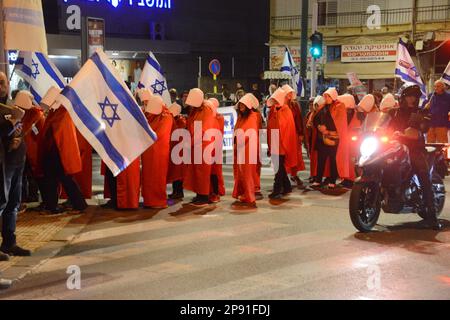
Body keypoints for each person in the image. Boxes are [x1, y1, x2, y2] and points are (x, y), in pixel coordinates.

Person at [37, 87, 87, 215]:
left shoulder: (62, 112)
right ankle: (54, 206)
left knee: (64, 179)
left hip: (58, 152)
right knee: (55, 179)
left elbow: (58, 133)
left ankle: (76, 204)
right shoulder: (58, 111)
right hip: (55, 151)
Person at [393, 113, 443, 230]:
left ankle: (433, 219)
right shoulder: (398, 112)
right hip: (403, 152)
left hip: (418, 154)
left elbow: (416, 134)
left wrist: (401, 135)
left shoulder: (417, 125)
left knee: (425, 180)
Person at [0, 88, 29, 259]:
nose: (1, 86)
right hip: (4, 163)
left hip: (17, 160)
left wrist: (18, 137)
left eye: (3, 82)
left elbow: (17, 129)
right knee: (1, 204)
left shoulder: (12, 106)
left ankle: (9, 242)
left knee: (13, 204)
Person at [311, 88, 350, 189]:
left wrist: (327, 130)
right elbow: (315, 119)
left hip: (334, 139)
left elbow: (340, 123)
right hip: (322, 139)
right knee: (321, 160)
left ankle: (332, 180)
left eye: (328, 96)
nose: (325, 98)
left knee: (334, 160)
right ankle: (318, 179)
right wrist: (319, 127)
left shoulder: (339, 106)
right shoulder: (323, 107)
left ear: (332, 96)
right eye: (325, 96)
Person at [183, 88, 216, 207]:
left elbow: (203, 129)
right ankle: (199, 194)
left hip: (203, 144)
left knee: (202, 171)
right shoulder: (197, 109)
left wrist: (191, 142)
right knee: (197, 171)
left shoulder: (205, 109)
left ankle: (203, 196)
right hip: (197, 143)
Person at [141, 95, 173, 209]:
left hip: (159, 151)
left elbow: (160, 134)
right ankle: (149, 199)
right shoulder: (153, 115)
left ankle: (157, 200)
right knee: (148, 175)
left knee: (157, 175)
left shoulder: (166, 116)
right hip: (148, 150)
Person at [266, 88, 297, 199]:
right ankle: (287, 187)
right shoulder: (274, 111)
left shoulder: (285, 110)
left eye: (275, 99)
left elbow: (285, 128)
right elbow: (270, 128)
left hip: (282, 144)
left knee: (278, 168)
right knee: (279, 167)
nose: (274, 101)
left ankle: (277, 189)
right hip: (275, 142)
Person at [232, 93, 260, 207]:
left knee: (247, 173)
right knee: (241, 173)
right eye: (240, 105)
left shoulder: (252, 116)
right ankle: (244, 193)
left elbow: (250, 131)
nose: (241, 107)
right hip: (241, 148)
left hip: (249, 148)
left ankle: (249, 196)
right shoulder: (241, 117)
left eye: (243, 105)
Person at [282, 84, 305, 189]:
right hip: (283, 134)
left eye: (291, 93)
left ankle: (294, 174)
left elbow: (299, 119)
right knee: (284, 156)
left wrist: (300, 133)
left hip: (294, 134)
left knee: (295, 155)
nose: (290, 95)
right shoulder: (279, 105)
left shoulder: (295, 105)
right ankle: (283, 177)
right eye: (288, 93)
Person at [167, 102, 187, 200]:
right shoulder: (178, 120)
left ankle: (179, 192)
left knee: (178, 173)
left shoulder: (180, 121)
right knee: (175, 173)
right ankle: (176, 191)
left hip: (179, 151)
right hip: (176, 150)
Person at [208, 98, 225, 203]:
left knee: (214, 171)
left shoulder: (218, 118)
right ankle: (214, 191)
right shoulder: (217, 117)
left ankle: (215, 192)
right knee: (213, 171)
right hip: (213, 146)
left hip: (214, 147)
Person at [306, 95, 326, 183]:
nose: (311, 106)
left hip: (317, 139)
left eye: (313, 104)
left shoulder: (319, 114)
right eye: (310, 104)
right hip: (312, 138)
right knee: (313, 158)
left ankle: (316, 176)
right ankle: (313, 175)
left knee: (317, 158)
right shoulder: (311, 114)